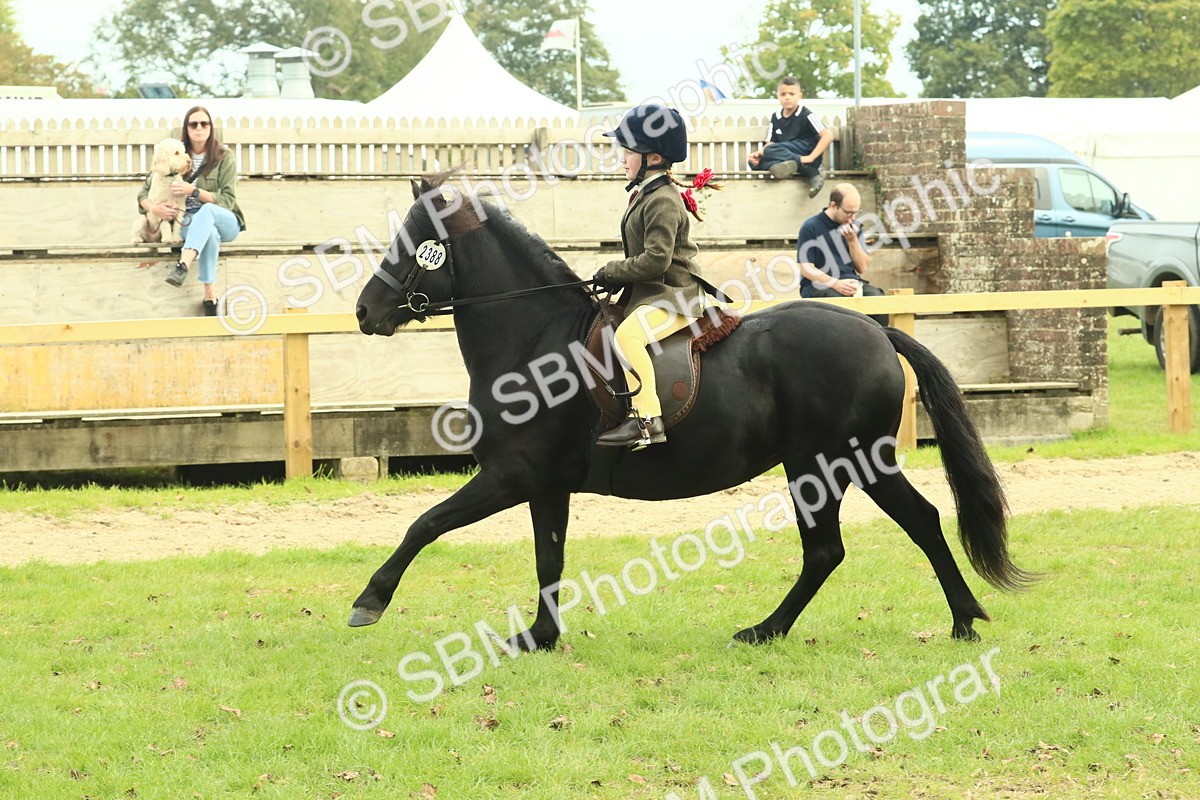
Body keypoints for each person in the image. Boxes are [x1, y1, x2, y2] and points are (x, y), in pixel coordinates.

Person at [591, 104, 722, 449]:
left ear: (652, 158)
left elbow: (656, 261)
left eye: (628, 151)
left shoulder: (662, 199)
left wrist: (611, 271)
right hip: (655, 293)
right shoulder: (647, 194)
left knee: (627, 338)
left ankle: (647, 421)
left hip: (676, 295)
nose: (621, 158)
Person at [139, 106, 246, 316]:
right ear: (186, 129)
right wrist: (155, 209)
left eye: (204, 123)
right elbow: (142, 195)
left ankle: (183, 264)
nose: (199, 128)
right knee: (209, 234)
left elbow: (227, 200)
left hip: (225, 218)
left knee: (207, 212)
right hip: (189, 221)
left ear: (210, 128)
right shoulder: (175, 156)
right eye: (193, 124)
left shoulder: (225, 157)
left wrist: (193, 191)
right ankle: (209, 296)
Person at [796, 183, 889, 325]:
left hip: (850, 281)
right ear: (834, 205)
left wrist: (853, 241)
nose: (852, 218)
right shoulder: (811, 227)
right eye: (848, 213)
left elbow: (862, 268)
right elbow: (806, 268)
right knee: (840, 305)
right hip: (820, 286)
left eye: (856, 213)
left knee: (877, 300)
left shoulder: (854, 227)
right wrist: (835, 284)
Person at [747, 76, 834, 199]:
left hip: (805, 151)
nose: (787, 97)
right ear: (778, 96)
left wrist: (810, 157)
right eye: (783, 94)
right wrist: (759, 153)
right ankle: (787, 166)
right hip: (786, 152)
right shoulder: (775, 117)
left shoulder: (806, 114)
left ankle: (809, 169)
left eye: (791, 94)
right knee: (753, 163)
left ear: (800, 96)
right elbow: (771, 142)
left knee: (770, 151)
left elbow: (828, 135)